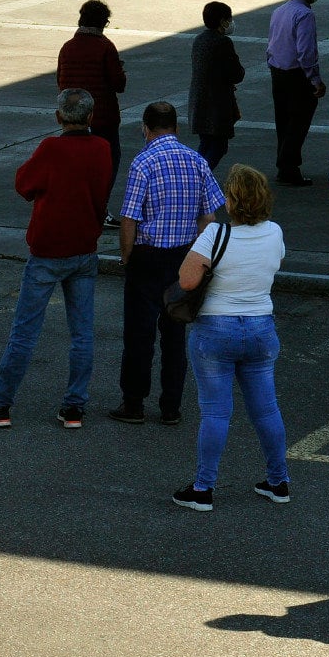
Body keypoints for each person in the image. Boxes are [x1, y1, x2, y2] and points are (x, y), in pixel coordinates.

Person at [0, 89, 111, 429]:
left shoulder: (51, 148)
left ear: (59, 117)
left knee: (25, 333)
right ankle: (74, 407)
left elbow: (24, 184)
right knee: (82, 333)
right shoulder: (102, 148)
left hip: (48, 250)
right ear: (91, 117)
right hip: (84, 248)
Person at [171, 164, 290, 511]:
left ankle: (204, 489)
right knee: (266, 410)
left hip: (216, 330)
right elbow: (275, 265)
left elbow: (188, 282)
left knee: (216, 414)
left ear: (231, 201)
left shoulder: (215, 235)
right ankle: (278, 481)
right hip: (260, 329)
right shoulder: (275, 232)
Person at [113, 101, 225, 426]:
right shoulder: (197, 161)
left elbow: (129, 218)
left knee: (139, 334)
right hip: (183, 257)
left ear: (145, 129)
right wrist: (198, 256)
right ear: (177, 128)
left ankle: (133, 403)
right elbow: (209, 215)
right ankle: (171, 407)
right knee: (175, 332)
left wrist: (126, 256)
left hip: (147, 258)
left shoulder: (142, 162)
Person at [56, 0, 128, 215]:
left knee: (77, 165)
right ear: (104, 23)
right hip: (103, 117)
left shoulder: (67, 47)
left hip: (72, 119)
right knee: (108, 162)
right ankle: (99, 208)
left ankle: (76, 205)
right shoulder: (106, 47)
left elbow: (60, 80)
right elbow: (119, 84)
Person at [266, 0, 326, 185]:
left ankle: (284, 166)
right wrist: (315, 79)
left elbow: (272, 43)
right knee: (298, 122)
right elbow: (306, 52)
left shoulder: (279, 10)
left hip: (278, 71)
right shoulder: (305, 15)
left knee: (283, 120)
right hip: (297, 75)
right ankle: (289, 166)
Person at [188, 2, 245, 168]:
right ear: (223, 21)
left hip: (199, 101)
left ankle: (194, 175)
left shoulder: (199, 39)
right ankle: (200, 179)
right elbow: (236, 73)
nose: (231, 22)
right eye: (229, 19)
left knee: (206, 143)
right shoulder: (223, 42)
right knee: (219, 146)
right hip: (216, 104)